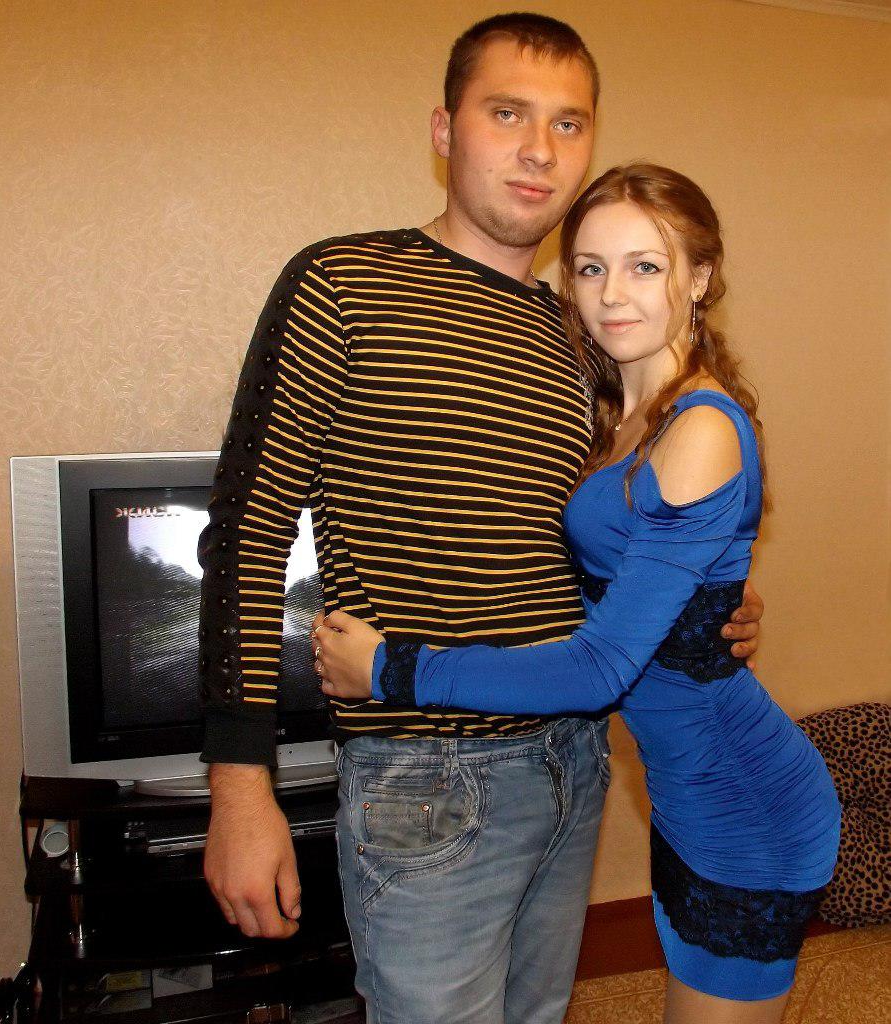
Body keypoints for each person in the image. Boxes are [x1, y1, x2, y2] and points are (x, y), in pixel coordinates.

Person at [197, 15, 764, 1024]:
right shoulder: (343, 284)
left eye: (567, 123)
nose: (539, 149)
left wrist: (704, 603)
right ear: (444, 130)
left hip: (576, 758)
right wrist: (241, 788)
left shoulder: (582, 331)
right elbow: (246, 528)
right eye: (507, 114)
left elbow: (606, 530)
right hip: (425, 776)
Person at [314, 163, 841, 1024]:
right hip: (685, 790)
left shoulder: (700, 428)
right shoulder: (623, 419)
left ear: (699, 278)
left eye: (645, 265)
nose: (611, 294)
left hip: (744, 800)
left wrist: (390, 669)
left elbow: (599, 670)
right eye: (590, 268)